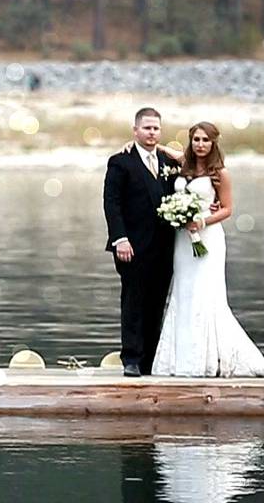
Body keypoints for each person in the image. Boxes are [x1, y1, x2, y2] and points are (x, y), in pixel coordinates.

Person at [149, 122, 264, 377]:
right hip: (183, 241)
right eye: (196, 139)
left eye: (205, 140)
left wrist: (200, 221)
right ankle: (179, 361)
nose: (200, 144)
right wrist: (133, 144)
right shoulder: (184, 164)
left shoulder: (220, 172)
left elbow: (227, 209)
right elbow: (163, 150)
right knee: (183, 293)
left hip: (207, 238)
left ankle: (209, 359)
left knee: (205, 294)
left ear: (213, 143)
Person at [103, 107, 180, 377]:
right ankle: (132, 359)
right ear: (135, 130)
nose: (152, 132)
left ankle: (150, 359)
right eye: (147, 128)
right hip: (131, 246)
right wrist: (119, 239)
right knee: (133, 301)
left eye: (156, 128)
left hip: (165, 246)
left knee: (157, 302)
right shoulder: (120, 161)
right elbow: (112, 204)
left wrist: (172, 152)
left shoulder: (169, 162)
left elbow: (200, 165)